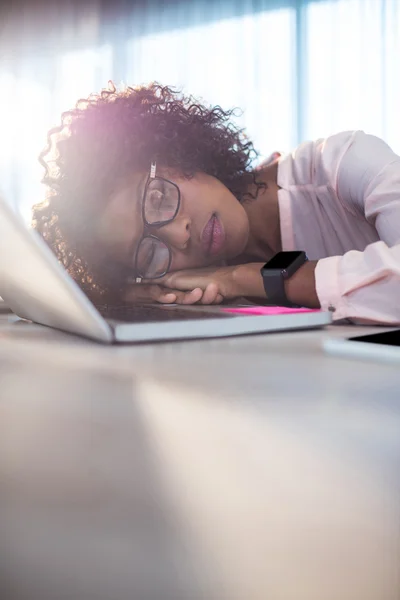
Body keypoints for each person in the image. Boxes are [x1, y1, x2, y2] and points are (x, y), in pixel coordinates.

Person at [32, 82, 400, 324]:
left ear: (176, 152)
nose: (179, 235)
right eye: (148, 253)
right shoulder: (203, 289)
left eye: (157, 199)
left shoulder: (344, 163)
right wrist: (121, 292)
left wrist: (242, 277)